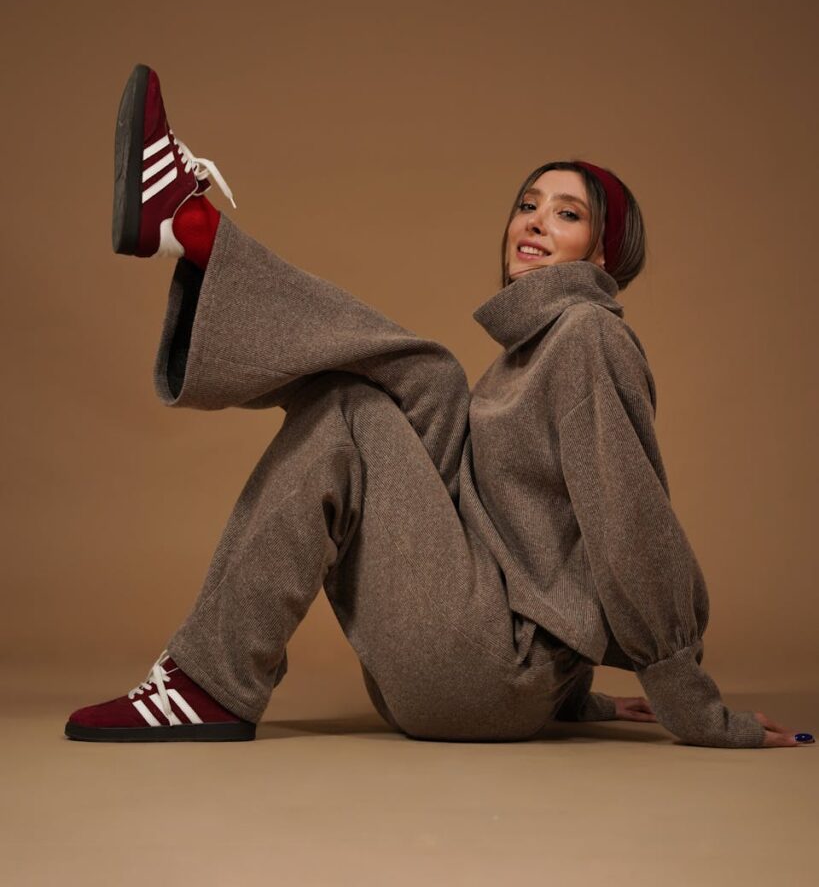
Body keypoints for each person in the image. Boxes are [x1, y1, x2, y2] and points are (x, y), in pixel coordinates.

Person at [64, 64, 813, 749]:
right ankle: (193, 232)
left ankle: (196, 231)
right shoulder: (521, 361)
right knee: (429, 377)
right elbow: (545, 544)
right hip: (473, 668)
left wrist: (687, 701)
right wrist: (575, 694)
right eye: (527, 206)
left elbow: (625, 521)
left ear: (600, 258)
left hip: (483, 675)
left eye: (566, 215)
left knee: (351, 410)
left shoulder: (586, 337)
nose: (533, 223)